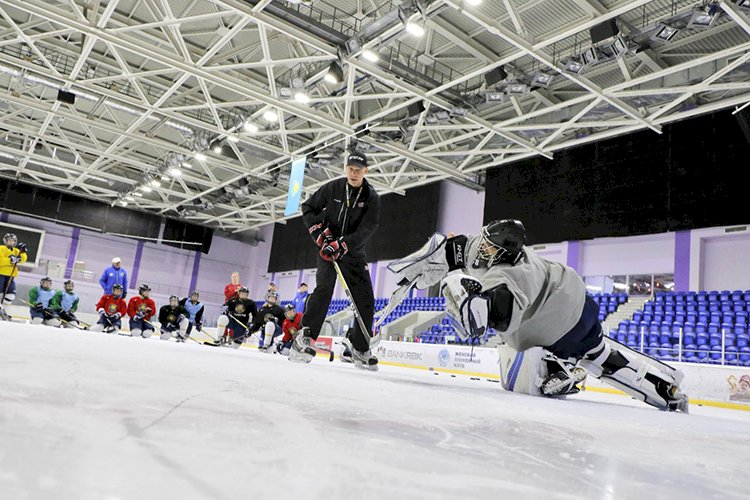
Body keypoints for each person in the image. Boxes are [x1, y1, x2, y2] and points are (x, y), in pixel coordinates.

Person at [389, 219, 688, 412]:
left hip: (558, 328)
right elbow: (471, 251)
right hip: (579, 305)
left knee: (518, 374)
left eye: (489, 246)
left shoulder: (510, 279)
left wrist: (463, 296)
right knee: (597, 352)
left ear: (501, 253)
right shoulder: (512, 253)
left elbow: (488, 319)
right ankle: (661, 386)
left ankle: (558, 370)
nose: (482, 247)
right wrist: (453, 251)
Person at [290, 151, 381, 370]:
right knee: (323, 290)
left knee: (365, 299)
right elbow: (307, 208)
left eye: (358, 170)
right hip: (327, 251)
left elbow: (368, 228)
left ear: (365, 171)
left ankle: (359, 348)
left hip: (353, 254)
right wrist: (319, 235)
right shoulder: (333, 188)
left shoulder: (371, 197)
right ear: (345, 168)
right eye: (350, 168)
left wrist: (344, 244)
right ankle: (305, 337)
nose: (354, 173)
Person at [0, 233, 27, 321]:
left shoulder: (16, 251)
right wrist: (11, 260)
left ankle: (3, 312)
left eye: (13, 241)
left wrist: (22, 252)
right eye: (9, 240)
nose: (11, 242)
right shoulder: (1, 248)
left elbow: (23, 260)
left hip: (11, 276)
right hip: (1, 274)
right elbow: (0, 261)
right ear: (5, 241)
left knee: (11, 295)